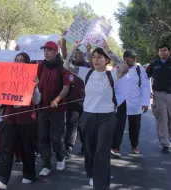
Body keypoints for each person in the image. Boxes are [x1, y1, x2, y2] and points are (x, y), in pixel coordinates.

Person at [63, 41, 128, 189]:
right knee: (90, 150)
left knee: (102, 151)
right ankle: (91, 174)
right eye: (94, 57)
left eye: (100, 57)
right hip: (88, 117)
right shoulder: (87, 72)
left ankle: (101, 184)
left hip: (107, 118)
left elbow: (124, 67)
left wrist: (109, 51)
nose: (96, 59)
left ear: (106, 61)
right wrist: (74, 47)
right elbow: (66, 66)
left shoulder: (112, 74)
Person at [0, 52, 41, 189]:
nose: (19, 63)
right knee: (6, 148)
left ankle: (29, 174)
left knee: (27, 149)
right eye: (17, 60)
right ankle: (2, 179)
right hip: (10, 119)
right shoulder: (8, 78)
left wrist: (35, 87)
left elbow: (36, 100)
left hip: (26, 120)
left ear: (28, 63)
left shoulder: (33, 79)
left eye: (22, 60)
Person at [36, 41, 75, 177]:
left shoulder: (63, 67)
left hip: (58, 110)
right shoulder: (40, 66)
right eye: (44, 50)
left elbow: (66, 87)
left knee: (56, 137)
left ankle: (60, 156)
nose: (46, 52)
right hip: (42, 108)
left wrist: (57, 100)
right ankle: (46, 165)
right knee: (42, 137)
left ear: (56, 52)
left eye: (49, 50)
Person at [111, 49, 151, 156]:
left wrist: (145, 102)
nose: (134, 59)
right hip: (121, 101)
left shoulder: (139, 69)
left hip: (135, 101)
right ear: (125, 58)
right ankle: (115, 148)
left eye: (135, 57)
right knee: (118, 125)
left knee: (135, 126)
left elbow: (146, 85)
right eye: (132, 57)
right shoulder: (116, 69)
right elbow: (110, 84)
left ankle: (134, 146)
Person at [146, 44, 171, 153]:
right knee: (162, 119)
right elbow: (145, 77)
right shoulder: (154, 64)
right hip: (159, 95)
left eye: (164, 50)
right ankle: (165, 143)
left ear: (169, 52)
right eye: (160, 50)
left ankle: (169, 137)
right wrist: (147, 93)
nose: (162, 52)